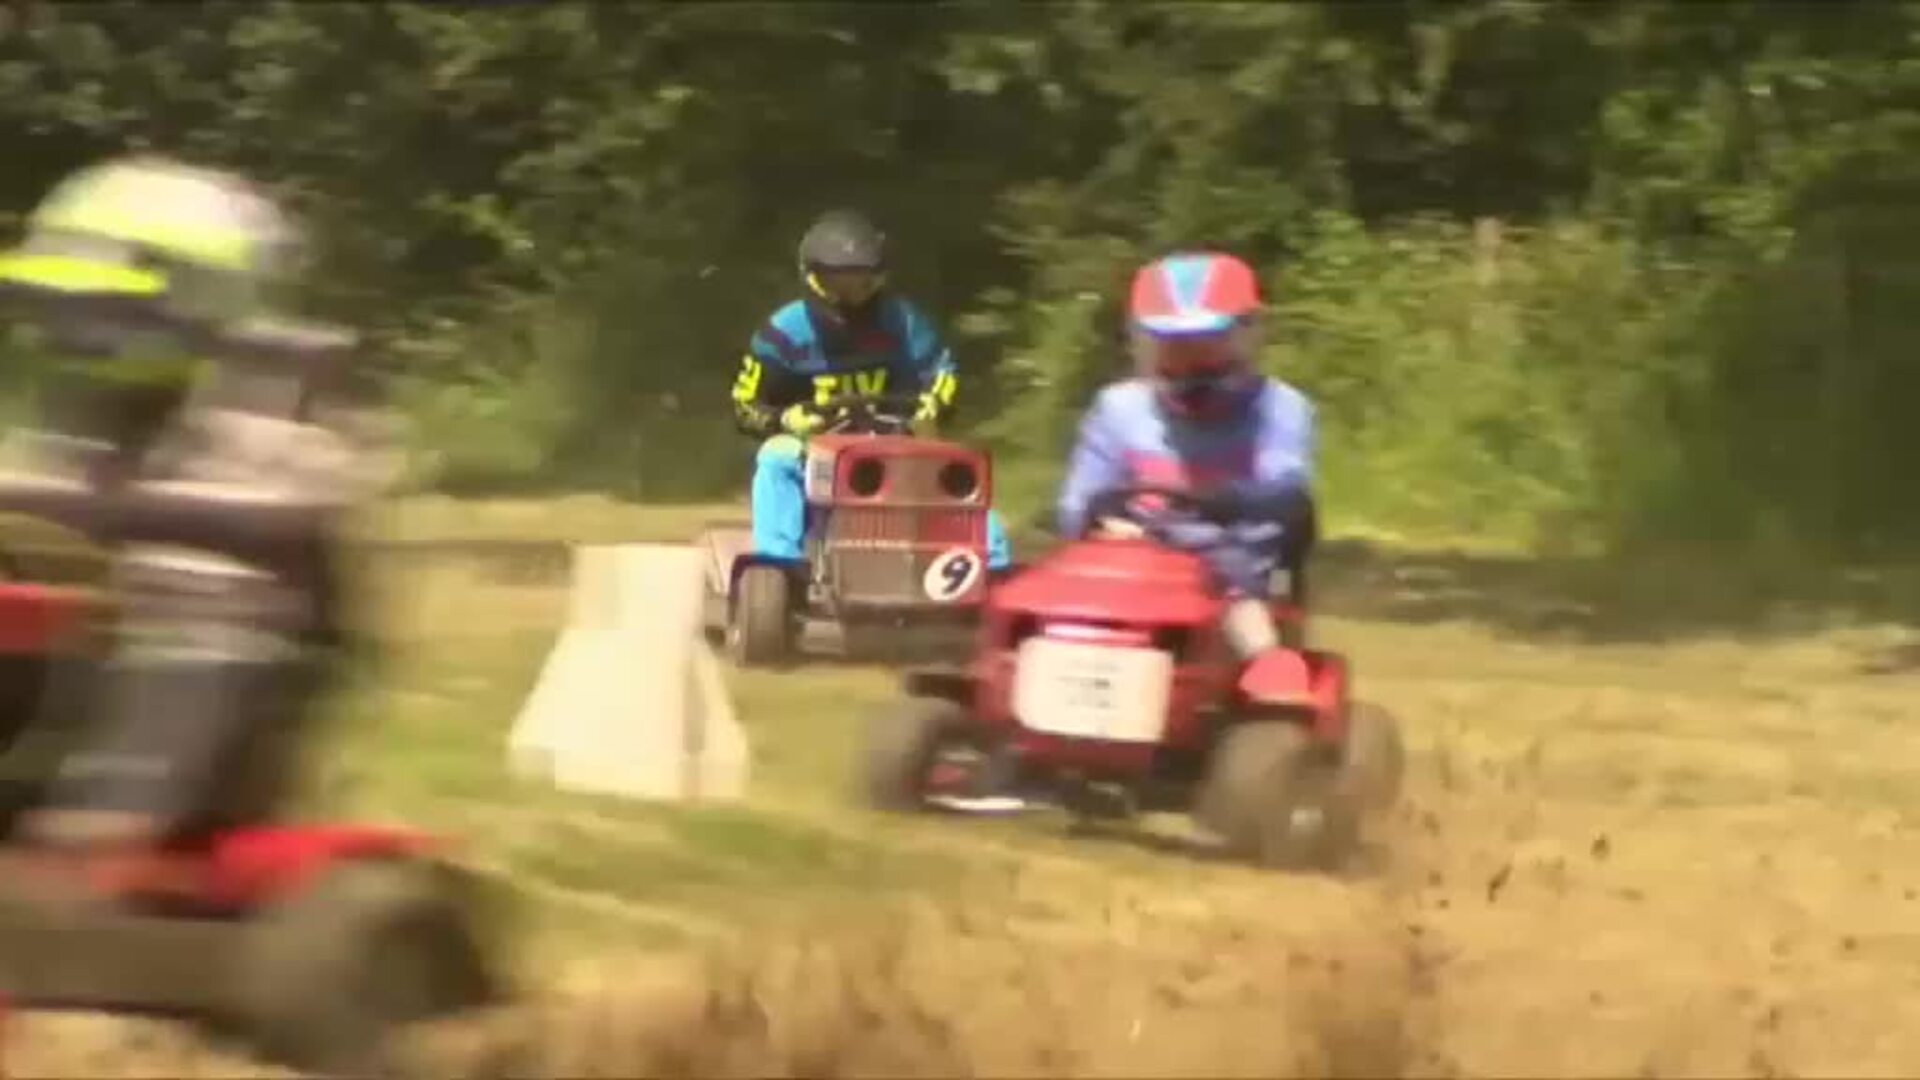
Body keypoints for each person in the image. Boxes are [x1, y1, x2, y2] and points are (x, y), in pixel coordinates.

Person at [0, 155, 376, 871]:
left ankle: (103, 830)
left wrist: (117, 518)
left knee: (188, 601)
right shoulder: (65, 430)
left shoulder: (278, 432)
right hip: (53, 707)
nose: (70, 339)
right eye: (63, 315)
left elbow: (284, 531)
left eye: (100, 318)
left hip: (209, 730)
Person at [1054, 251, 1319, 702]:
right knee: (1055, 610)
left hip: (1225, 566)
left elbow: (1286, 491)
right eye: (1169, 343)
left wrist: (1232, 500)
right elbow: (1078, 501)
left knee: (1243, 616)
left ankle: (1269, 668)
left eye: (1207, 341)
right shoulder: (1119, 408)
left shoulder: (1280, 408)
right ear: (1141, 342)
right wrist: (1098, 520)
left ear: (1248, 335)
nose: (1188, 356)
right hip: (1128, 559)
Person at [729, 209, 1011, 571]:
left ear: (879, 279)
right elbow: (743, 403)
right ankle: (779, 567)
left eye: (862, 283)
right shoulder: (782, 333)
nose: (851, 296)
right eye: (837, 284)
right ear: (812, 278)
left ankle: (991, 567)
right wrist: (783, 419)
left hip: (897, 443)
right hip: (813, 451)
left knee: (957, 473)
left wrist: (934, 406)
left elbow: (943, 370)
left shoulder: (904, 322)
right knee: (775, 456)